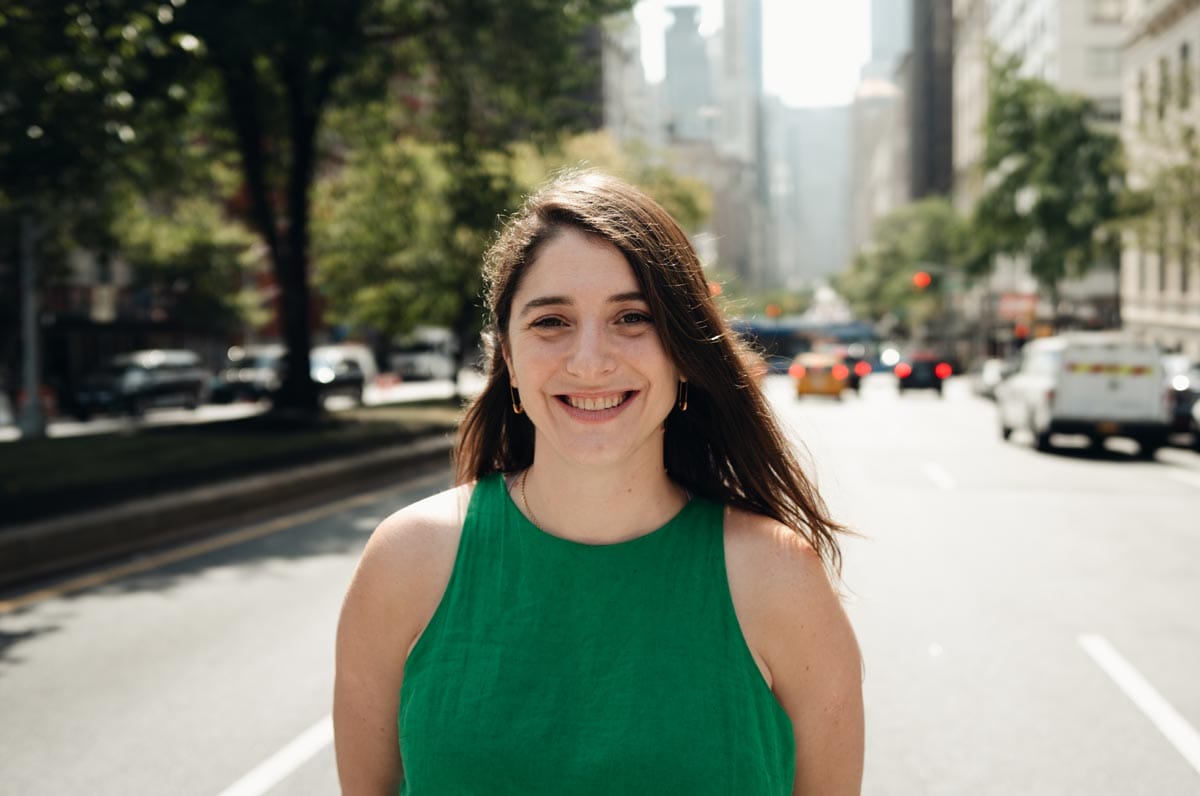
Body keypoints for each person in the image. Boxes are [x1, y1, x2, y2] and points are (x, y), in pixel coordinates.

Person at [333, 170, 863, 795]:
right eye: (551, 321)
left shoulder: (778, 578)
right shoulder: (406, 562)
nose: (589, 361)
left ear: (684, 351)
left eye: (632, 317)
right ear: (506, 355)